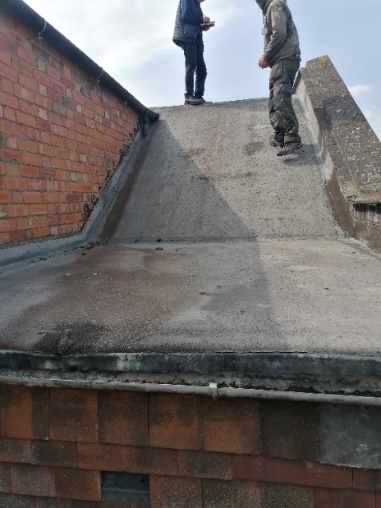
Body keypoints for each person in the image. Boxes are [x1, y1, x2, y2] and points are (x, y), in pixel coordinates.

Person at [255, 0, 302, 156]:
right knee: (274, 100)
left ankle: (292, 139)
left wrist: (266, 55)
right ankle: (280, 136)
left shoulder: (275, 5)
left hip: (285, 58)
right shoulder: (269, 8)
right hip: (280, 61)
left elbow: (279, 33)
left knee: (281, 100)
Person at [173, 0, 212, 106]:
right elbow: (186, 16)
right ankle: (189, 96)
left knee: (201, 69)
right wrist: (201, 20)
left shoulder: (196, 5)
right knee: (191, 65)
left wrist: (204, 24)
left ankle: (198, 96)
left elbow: (193, 22)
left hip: (195, 38)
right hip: (188, 37)